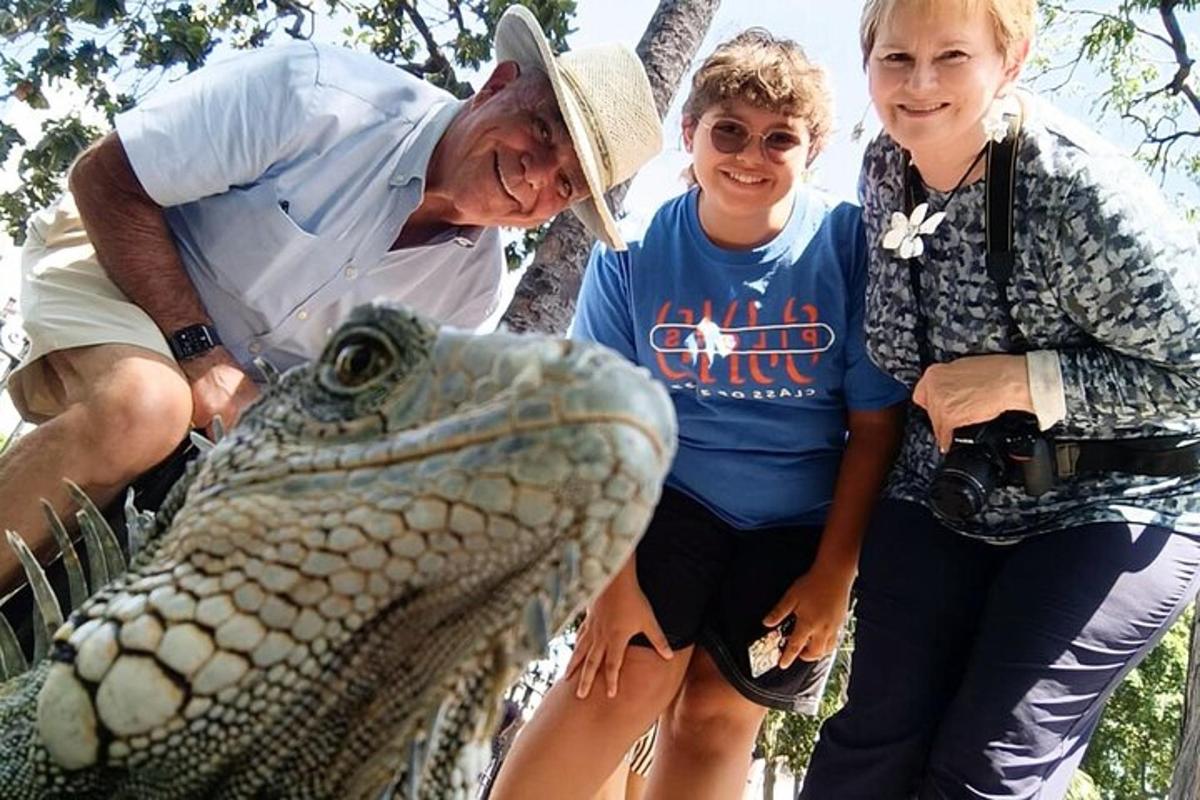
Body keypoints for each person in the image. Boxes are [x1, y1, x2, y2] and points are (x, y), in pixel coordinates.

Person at [0, 4, 662, 592]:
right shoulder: (319, 95)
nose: (534, 176)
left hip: (235, 405)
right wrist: (203, 358)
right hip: (115, 265)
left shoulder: (469, 293)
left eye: (566, 183)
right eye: (543, 132)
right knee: (145, 407)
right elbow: (105, 178)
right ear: (497, 86)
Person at [490, 29, 907, 800]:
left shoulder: (846, 247)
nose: (751, 155)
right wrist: (611, 590)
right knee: (622, 676)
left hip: (800, 521)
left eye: (779, 138)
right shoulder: (633, 259)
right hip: (665, 500)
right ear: (690, 135)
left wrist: (834, 576)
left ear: (810, 150)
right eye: (729, 132)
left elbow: (875, 426)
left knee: (717, 711)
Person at [799, 2, 1200, 798]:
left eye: (953, 56)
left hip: (1115, 497)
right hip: (946, 485)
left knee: (988, 763)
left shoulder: (1074, 191)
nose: (918, 85)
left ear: (1010, 62)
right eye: (895, 58)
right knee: (870, 745)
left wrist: (1027, 380)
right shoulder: (885, 164)